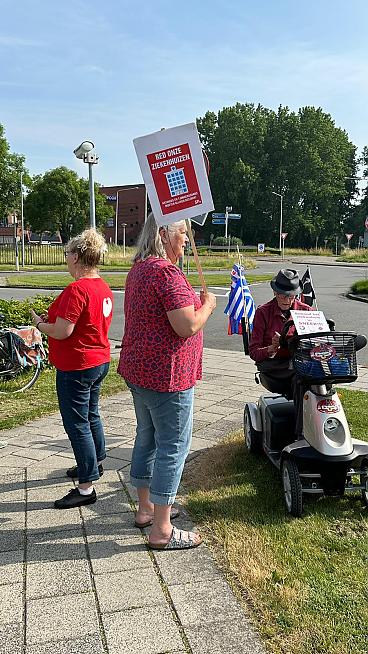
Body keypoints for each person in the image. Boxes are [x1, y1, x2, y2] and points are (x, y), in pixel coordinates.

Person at [118, 213, 216, 551]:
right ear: (163, 234)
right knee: (173, 446)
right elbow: (186, 325)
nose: (187, 239)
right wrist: (208, 307)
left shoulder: (140, 269)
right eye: (183, 233)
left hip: (139, 371)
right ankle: (162, 529)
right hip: (167, 377)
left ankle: (147, 508)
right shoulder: (167, 274)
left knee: (146, 438)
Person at [31, 229, 113, 509]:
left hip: (76, 365)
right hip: (98, 360)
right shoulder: (102, 286)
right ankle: (95, 463)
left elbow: (63, 331)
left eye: (67, 254)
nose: (66, 259)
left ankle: (86, 486)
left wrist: (40, 325)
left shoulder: (77, 289)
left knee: (76, 423)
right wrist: (51, 319)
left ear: (76, 256)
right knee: (91, 415)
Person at [249, 269, 313, 438]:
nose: (287, 300)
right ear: (275, 293)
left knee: (321, 379)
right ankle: (301, 435)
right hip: (275, 365)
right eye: (283, 295)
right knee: (301, 379)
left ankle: (325, 426)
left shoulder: (306, 311)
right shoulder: (263, 312)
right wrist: (271, 348)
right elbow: (254, 352)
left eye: (291, 296)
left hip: (300, 363)